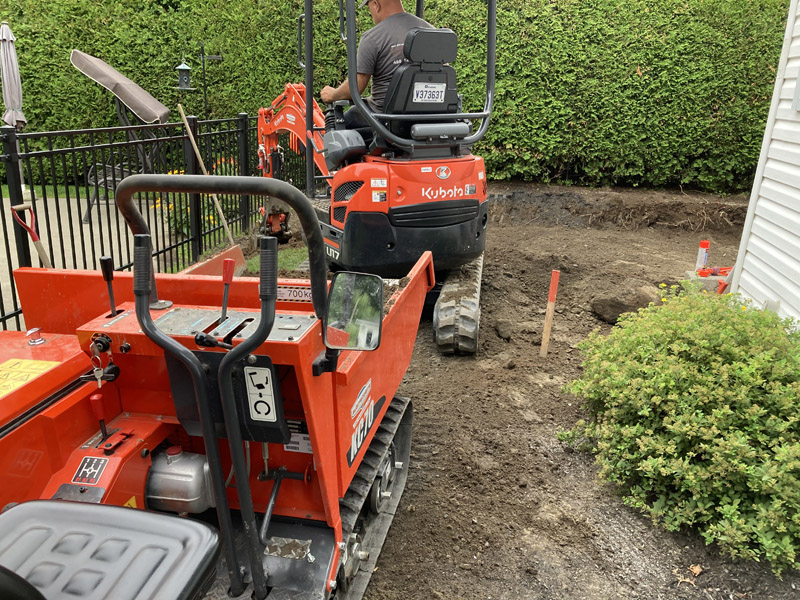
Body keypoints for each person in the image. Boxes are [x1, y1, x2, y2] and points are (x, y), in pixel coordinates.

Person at [320, 0, 433, 129]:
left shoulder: (373, 37)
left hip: (386, 121)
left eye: (370, 10)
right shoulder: (431, 31)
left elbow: (355, 88)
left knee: (336, 128)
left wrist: (332, 94)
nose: (372, 15)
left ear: (376, 5)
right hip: (431, 118)